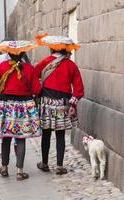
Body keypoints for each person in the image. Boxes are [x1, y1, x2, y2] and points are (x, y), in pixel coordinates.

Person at [0, 40, 42, 181]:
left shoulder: (3, 66)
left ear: (8, 54)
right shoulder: (29, 69)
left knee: (6, 137)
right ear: (23, 54)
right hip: (23, 106)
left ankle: (4, 168)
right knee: (21, 137)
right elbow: (37, 89)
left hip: (5, 105)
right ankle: (19, 171)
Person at [34, 34, 84, 175]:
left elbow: (34, 78)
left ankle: (44, 163)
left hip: (46, 103)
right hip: (63, 103)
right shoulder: (71, 65)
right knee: (60, 135)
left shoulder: (44, 62)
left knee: (46, 133)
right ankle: (60, 166)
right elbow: (79, 88)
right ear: (66, 49)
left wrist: (38, 92)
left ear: (51, 48)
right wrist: (72, 105)